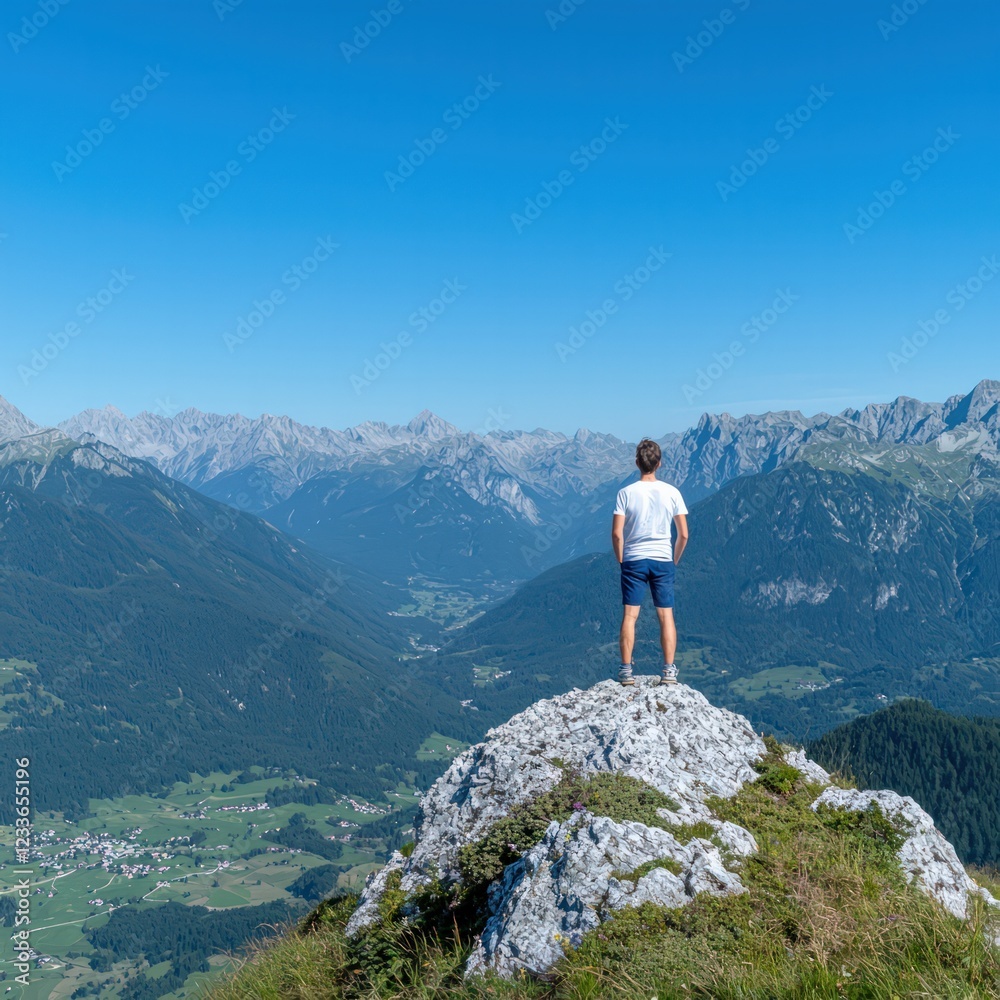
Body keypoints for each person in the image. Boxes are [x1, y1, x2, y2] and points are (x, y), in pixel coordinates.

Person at [611, 438, 689, 686]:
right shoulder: (672, 492)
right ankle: (668, 671)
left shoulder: (625, 493)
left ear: (637, 463)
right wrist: (674, 558)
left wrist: (621, 559)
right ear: (659, 463)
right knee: (666, 616)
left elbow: (616, 534)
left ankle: (626, 671)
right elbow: (684, 534)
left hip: (633, 559)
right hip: (663, 559)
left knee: (630, 616)